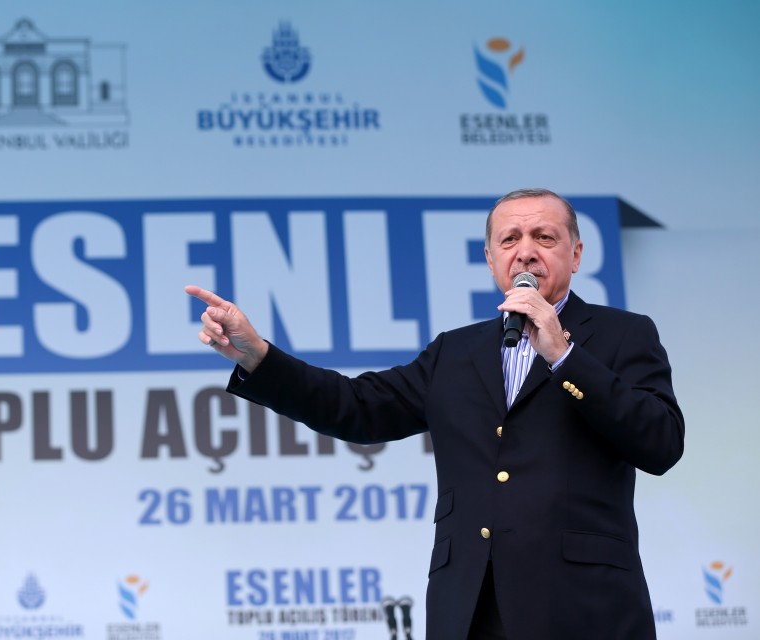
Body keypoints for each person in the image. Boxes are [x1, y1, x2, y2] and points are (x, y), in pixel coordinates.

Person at [185, 188, 684, 640]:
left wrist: (564, 357)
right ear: (490, 259)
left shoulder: (623, 335)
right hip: (470, 609)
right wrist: (259, 357)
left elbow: (661, 443)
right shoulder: (455, 352)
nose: (526, 251)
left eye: (544, 237)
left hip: (584, 609)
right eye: (509, 239)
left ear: (575, 254)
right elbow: (356, 407)